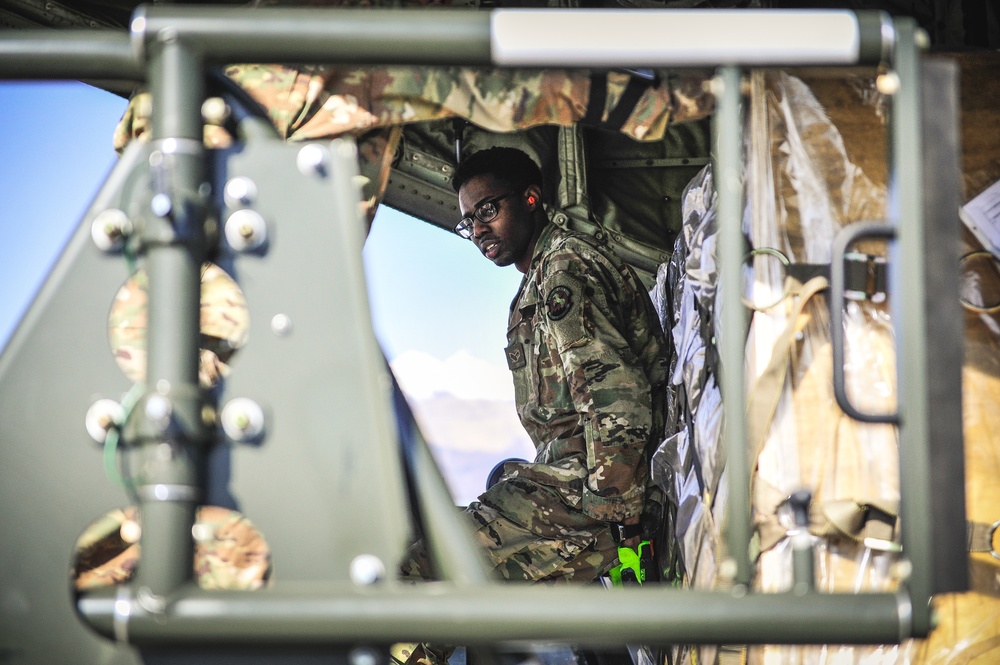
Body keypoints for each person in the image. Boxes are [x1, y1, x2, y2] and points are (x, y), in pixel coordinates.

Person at [399, 146, 669, 592]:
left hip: (596, 500)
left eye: (487, 209)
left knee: (422, 571)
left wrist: (621, 521)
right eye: (469, 222)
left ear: (530, 198)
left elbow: (614, 395)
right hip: (576, 489)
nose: (479, 228)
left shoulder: (564, 269)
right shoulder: (541, 277)